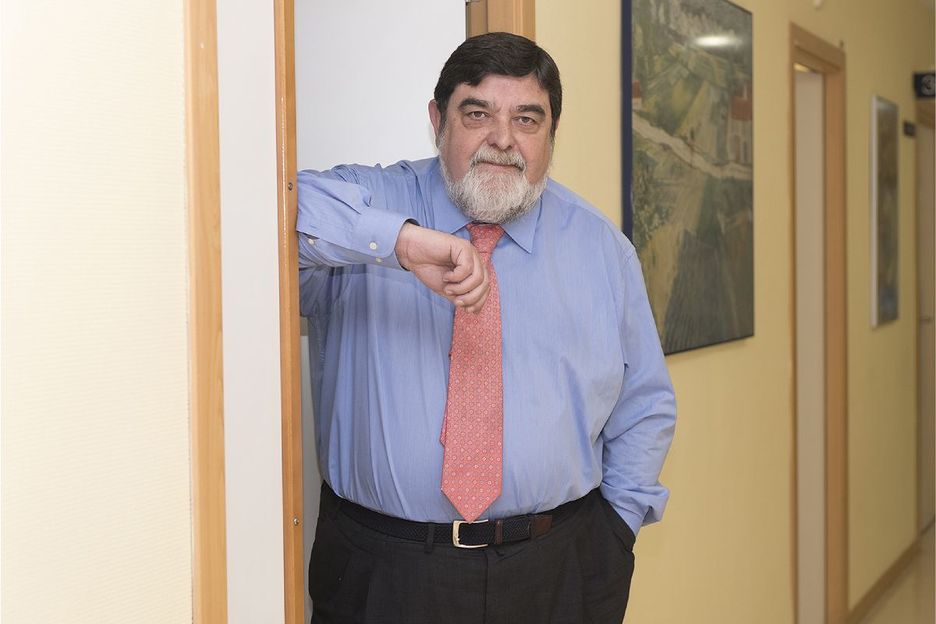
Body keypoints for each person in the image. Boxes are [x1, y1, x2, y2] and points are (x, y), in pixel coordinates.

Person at [297, 32, 675, 624]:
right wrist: (399, 243)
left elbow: (645, 404)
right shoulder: (373, 202)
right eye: (478, 114)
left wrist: (615, 531)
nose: (503, 139)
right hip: (383, 570)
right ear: (437, 120)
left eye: (527, 119)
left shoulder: (603, 250)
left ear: (551, 133)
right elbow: (271, 210)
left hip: (558, 566)